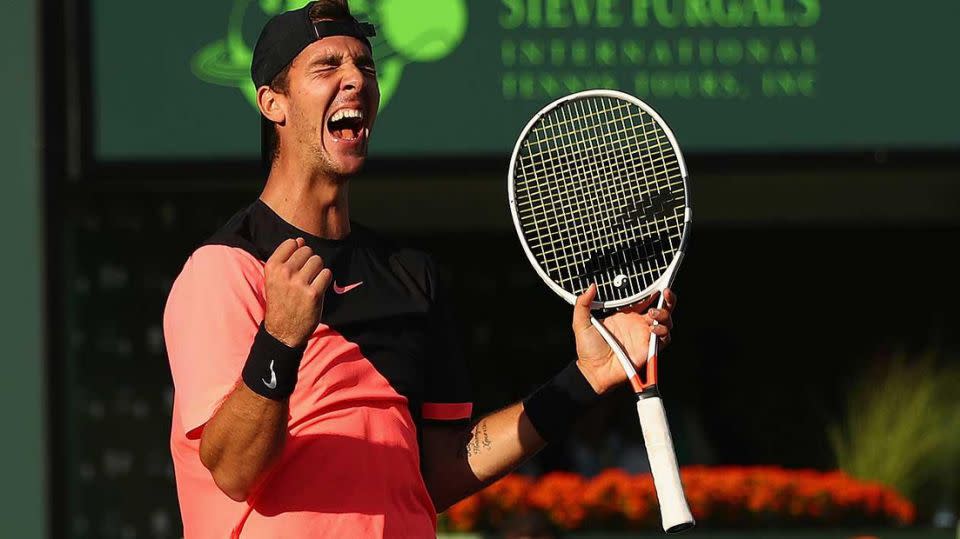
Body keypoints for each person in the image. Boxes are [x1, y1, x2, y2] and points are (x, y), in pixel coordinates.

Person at [162, 2, 676, 537]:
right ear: (273, 103)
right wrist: (280, 338)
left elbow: (441, 471)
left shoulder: (412, 276)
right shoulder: (223, 270)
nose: (355, 80)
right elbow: (233, 470)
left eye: (366, 66)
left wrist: (586, 378)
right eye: (327, 67)